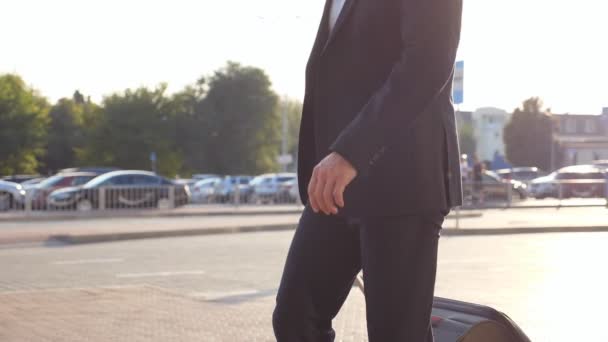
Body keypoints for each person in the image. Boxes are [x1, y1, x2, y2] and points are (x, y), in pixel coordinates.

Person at [272, 0, 463, 341]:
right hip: (336, 182)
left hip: (402, 177)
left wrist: (351, 152)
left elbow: (427, 63)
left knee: (396, 334)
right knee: (294, 318)